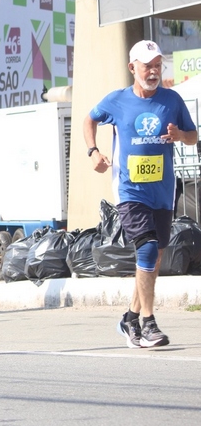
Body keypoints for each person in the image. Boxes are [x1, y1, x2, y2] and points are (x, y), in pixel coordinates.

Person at [85, 40, 198, 349]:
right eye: (148, 66)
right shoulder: (117, 100)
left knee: (157, 253)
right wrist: (93, 151)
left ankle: (131, 317)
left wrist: (180, 135)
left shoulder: (171, 100)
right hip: (129, 189)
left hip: (162, 189)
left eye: (158, 65)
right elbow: (89, 119)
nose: (154, 71)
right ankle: (148, 323)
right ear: (132, 67)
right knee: (147, 248)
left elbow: (193, 136)